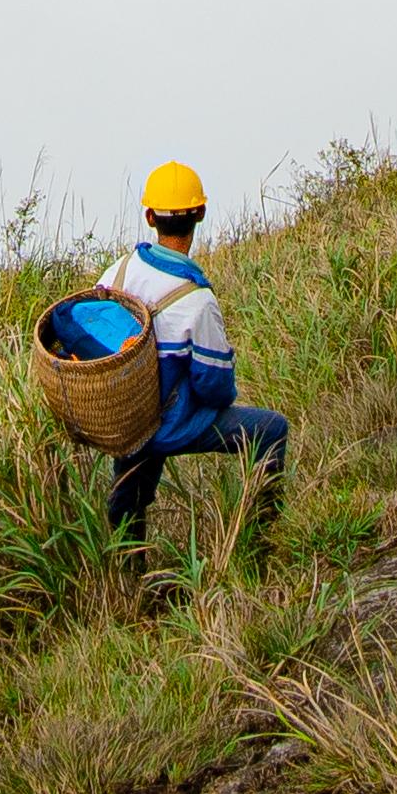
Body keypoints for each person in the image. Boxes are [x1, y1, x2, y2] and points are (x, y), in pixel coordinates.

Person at [95, 163, 289, 550]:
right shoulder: (196, 300)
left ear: (149, 217)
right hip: (171, 424)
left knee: (131, 486)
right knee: (272, 429)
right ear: (200, 213)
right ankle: (262, 539)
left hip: (123, 420)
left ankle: (126, 568)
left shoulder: (115, 274)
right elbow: (214, 386)